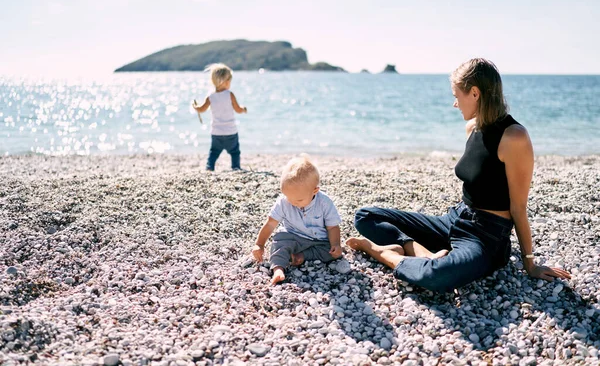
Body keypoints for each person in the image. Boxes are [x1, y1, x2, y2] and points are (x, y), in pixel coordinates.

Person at [346, 58, 571, 293]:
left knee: (435, 276)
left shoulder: (514, 137)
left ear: (475, 93)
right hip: (456, 218)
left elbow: (518, 207)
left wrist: (530, 263)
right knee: (366, 216)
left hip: (485, 236)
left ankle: (381, 252)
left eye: (456, 95)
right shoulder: (472, 128)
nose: (455, 104)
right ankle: (421, 252)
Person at [252, 155, 343, 285]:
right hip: (293, 236)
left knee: (333, 253)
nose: (293, 202)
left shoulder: (324, 202)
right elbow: (270, 224)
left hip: (319, 241)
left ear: (315, 191)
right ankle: (278, 269)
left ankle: (302, 256)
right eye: (288, 197)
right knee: (279, 243)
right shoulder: (283, 202)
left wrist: (335, 244)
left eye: (299, 200)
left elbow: (332, 227)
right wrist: (259, 244)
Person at [192, 63, 247, 171]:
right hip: (230, 132)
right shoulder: (230, 94)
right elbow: (238, 109)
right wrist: (243, 109)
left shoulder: (211, 96)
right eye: (230, 81)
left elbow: (201, 109)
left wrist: (196, 107)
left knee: (214, 152)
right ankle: (236, 167)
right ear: (226, 81)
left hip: (216, 133)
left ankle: (209, 167)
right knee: (235, 152)